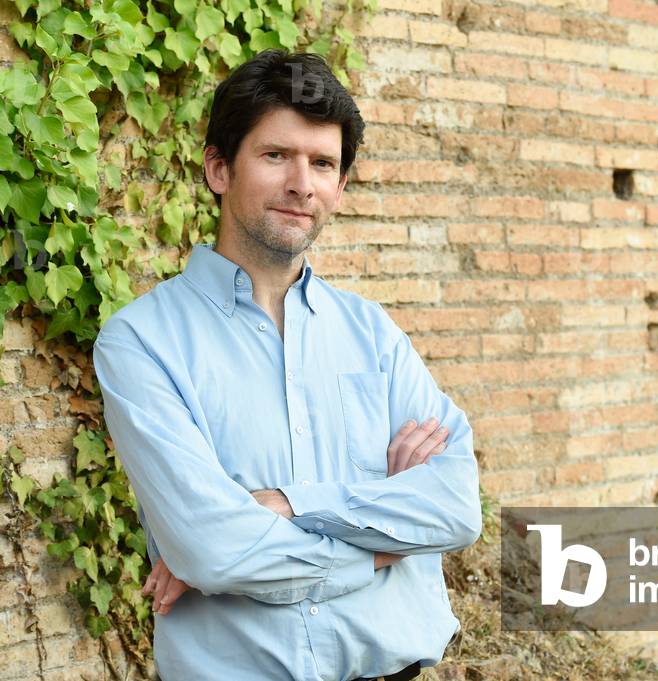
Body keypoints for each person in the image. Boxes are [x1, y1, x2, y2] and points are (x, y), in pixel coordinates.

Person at [92, 49, 482, 681]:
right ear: (219, 169)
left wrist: (286, 505)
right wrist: (383, 545)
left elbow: (456, 507)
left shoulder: (373, 334)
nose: (302, 183)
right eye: (277, 156)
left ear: (340, 186)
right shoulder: (142, 342)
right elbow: (214, 548)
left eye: (323, 163)